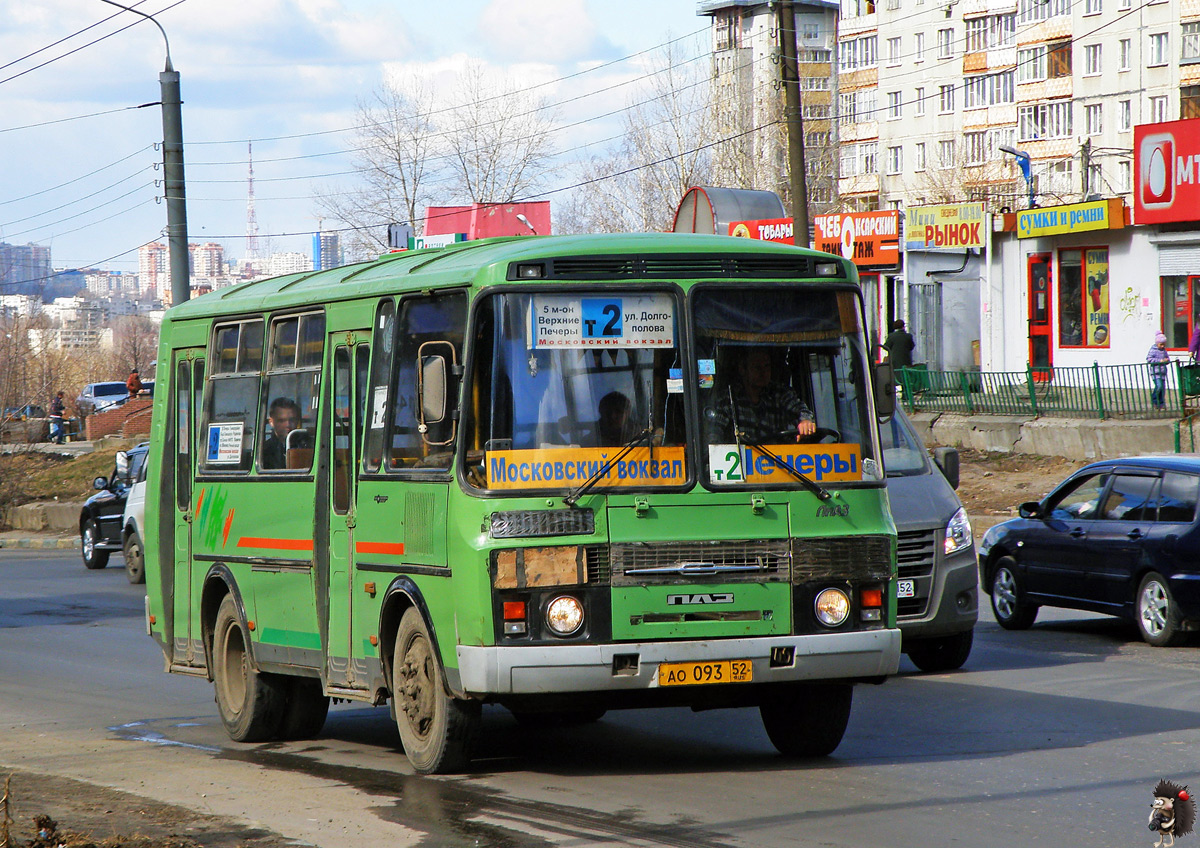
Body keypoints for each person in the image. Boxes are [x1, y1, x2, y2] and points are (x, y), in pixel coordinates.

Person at [708, 347, 816, 443]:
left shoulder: (779, 394)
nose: (763, 372)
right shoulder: (729, 399)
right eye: (757, 367)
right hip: (742, 463)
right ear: (743, 369)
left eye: (767, 366)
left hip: (779, 462)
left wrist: (805, 421)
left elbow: (800, 409)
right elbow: (715, 431)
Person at [261, 397, 303, 469]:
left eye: (292, 420)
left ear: (298, 420)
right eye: (281, 421)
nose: (288, 425)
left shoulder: (308, 447)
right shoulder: (263, 453)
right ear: (271, 422)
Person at [1147, 331, 1171, 410]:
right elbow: (1149, 359)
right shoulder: (1153, 350)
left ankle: (1161, 403)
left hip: (1163, 372)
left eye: (1164, 344)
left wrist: (1167, 360)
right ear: (1157, 343)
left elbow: (1167, 359)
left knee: (1162, 389)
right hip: (1155, 372)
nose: (1162, 346)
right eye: (1161, 344)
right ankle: (1154, 400)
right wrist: (1159, 361)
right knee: (1159, 386)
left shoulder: (1164, 351)